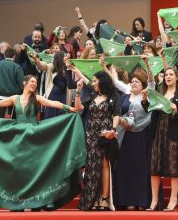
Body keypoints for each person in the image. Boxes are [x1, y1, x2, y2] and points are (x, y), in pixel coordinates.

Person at [0, 75, 85, 211]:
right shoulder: (15, 98)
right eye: (32, 81)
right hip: (18, 139)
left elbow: (52, 103)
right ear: (24, 83)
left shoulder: (37, 98)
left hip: (35, 137)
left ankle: (41, 200)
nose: (34, 84)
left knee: (36, 170)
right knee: (19, 172)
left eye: (35, 82)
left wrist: (69, 108)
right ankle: (16, 202)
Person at [101, 59, 152, 210]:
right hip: (125, 137)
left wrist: (148, 65)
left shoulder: (147, 94)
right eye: (133, 81)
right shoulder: (126, 94)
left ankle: (141, 201)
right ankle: (128, 200)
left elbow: (152, 80)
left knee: (140, 169)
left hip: (142, 136)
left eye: (137, 81)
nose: (134, 83)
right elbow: (115, 82)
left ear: (143, 84)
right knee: (126, 169)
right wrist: (104, 67)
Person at [141, 60, 178, 212]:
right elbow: (150, 109)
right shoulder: (160, 93)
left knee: (174, 166)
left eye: (171, 75)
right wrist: (144, 100)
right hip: (158, 132)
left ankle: (173, 199)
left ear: (177, 77)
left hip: (174, 132)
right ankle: (154, 200)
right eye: (166, 75)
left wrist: (176, 110)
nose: (168, 77)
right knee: (154, 167)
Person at [75, 71, 121, 211]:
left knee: (104, 164)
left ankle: (105, 199)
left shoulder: (114, 96)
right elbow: (78, 108)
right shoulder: (93, 96)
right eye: (93, 81)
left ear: (102, 81)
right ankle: (94, 197)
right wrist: (78, 91)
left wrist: (113, 130)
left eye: (95, 80)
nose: (93, 83)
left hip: (105, 134)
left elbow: (116, 115)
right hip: (90, 134)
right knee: (92, 165)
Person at [30, 51, 76, 119]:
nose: (67, 58)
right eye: (65, 56)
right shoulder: (51, 66)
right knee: (51, 113)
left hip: (64, 94)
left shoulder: (69, 68)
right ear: (60, 58)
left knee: (62, 114)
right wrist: (36, 60)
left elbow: (70, 83)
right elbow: (42, 66)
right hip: (53, 94)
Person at [0, 48, 24, 118]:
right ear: (14, 56)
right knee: (13, 122)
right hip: (13, 99)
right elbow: (22, 84)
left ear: (4, 55)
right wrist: (18, 94)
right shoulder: (17, 67)